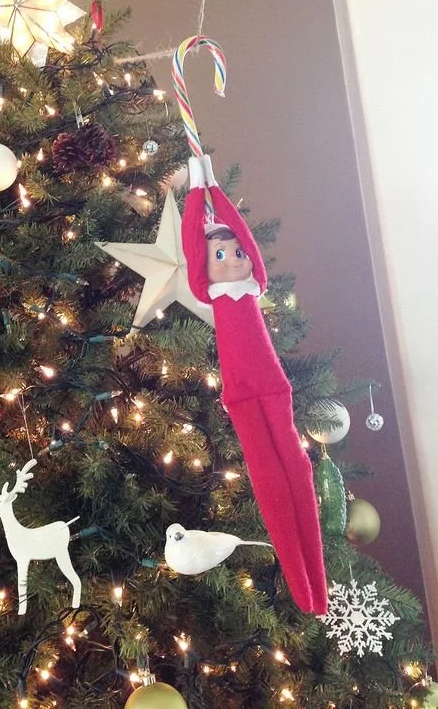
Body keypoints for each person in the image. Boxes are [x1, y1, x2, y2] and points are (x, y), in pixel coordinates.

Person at [181, 154, 327, 615]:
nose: (231, 260)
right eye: (219, 255)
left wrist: (214, 188)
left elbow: (243, 235)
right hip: (241, 395)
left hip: (273, 387)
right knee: (267, 475)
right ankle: (302, 585)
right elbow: (192, 245)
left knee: (297, 466)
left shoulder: (253, 285)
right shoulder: (210, 292)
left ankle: (317, 582)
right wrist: (196, 189)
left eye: (237, 253)